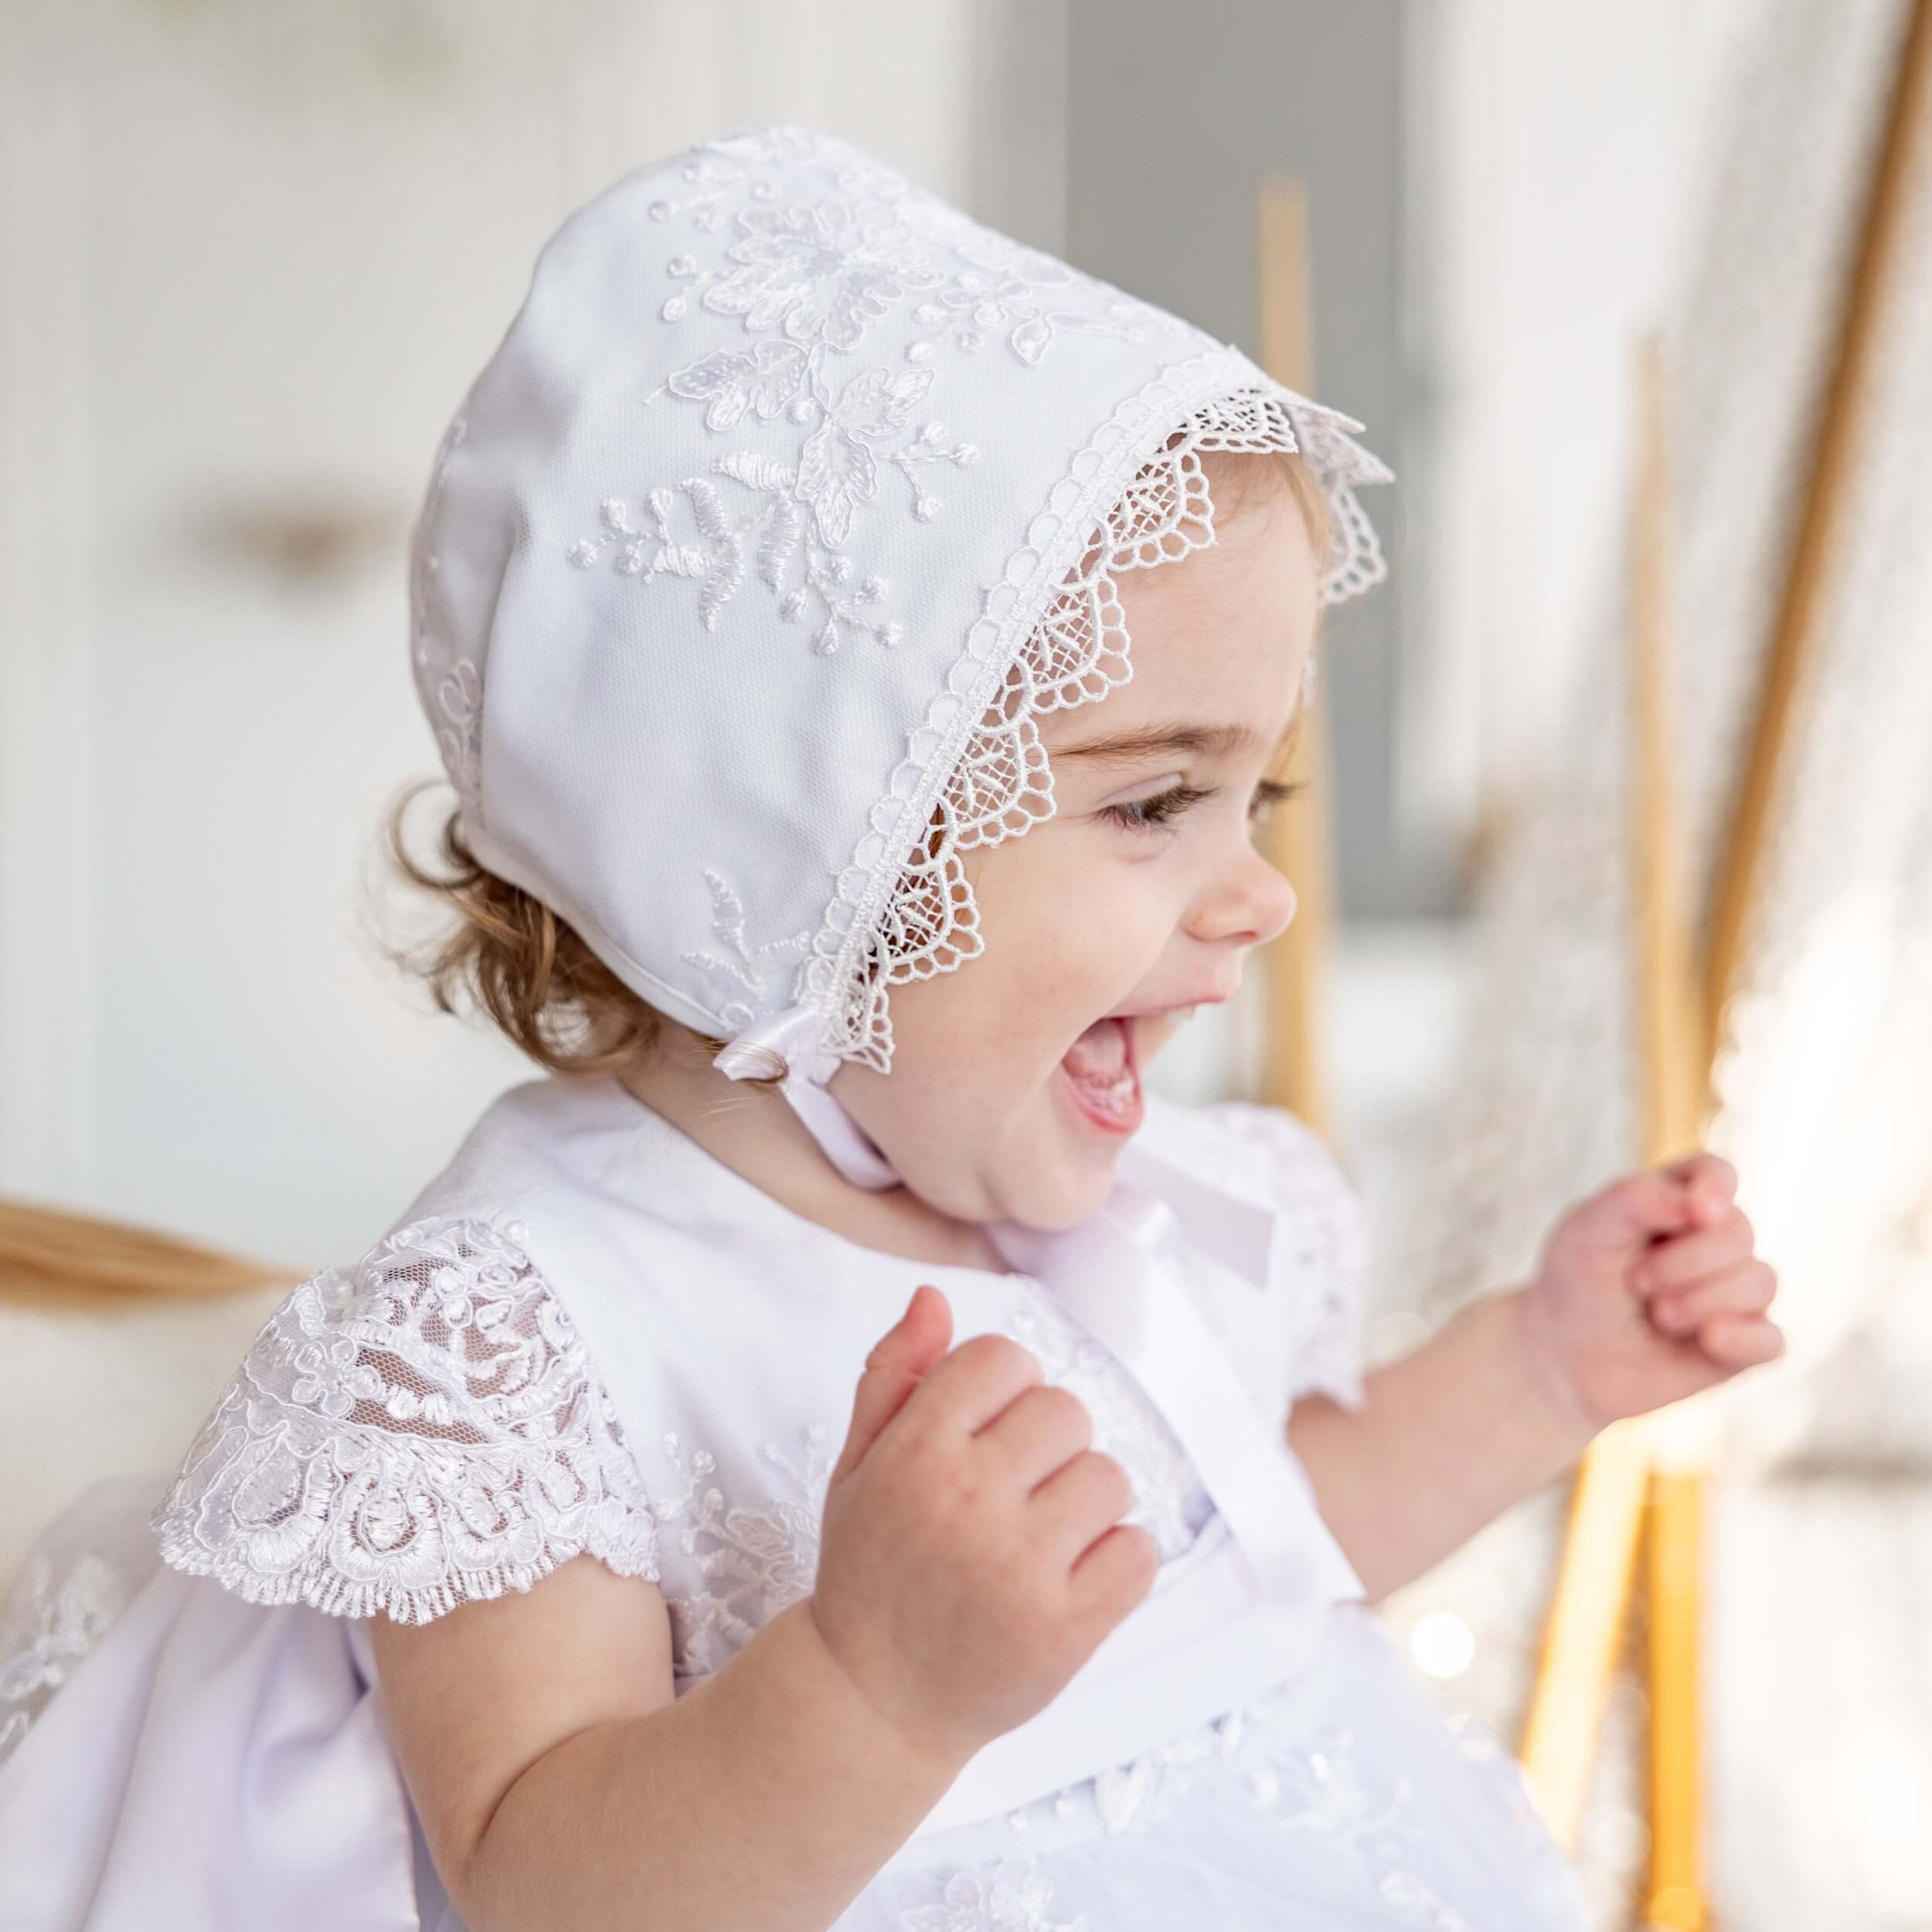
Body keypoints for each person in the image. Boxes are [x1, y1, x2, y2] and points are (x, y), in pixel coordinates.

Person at [0, 124, 1785, 1932]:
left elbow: (1255, 1559)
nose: (1258, 893)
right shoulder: (525, 1336)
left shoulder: (1115, 1209)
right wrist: (867, 1686)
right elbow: (540, 1878)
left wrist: (1541, 1367)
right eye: (1154, 801)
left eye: (1262, 794)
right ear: (797, 856)